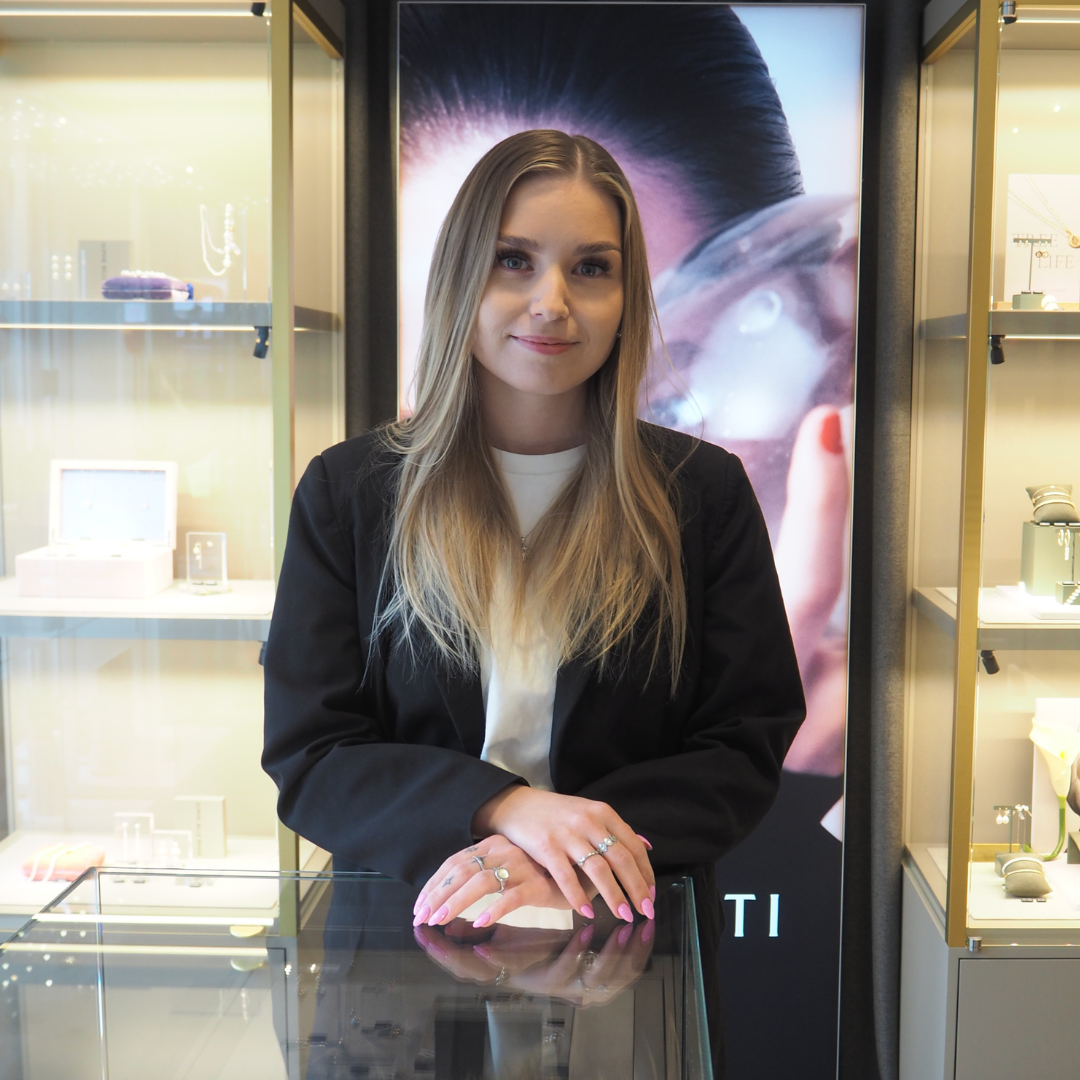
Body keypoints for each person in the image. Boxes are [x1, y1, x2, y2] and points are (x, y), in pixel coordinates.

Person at [262, 129, 805, 1074]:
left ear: (629, 297)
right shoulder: (352, 493)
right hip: (405, 958)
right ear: (460, 276)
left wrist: (565, 853)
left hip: (622, 956)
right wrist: (506, 809)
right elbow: (312, 754)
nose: (552, 301)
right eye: (514, 260)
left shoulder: (701, 495)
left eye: (592, 268)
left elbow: (742, 745)